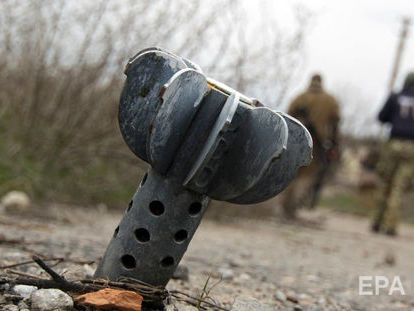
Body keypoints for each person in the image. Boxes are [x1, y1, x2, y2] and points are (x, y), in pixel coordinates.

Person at [282, 74, 340, 219]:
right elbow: (335, 124)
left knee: (292, 174)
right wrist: (334, 143)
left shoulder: (299, 98)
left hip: (295, 140)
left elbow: (287, 117)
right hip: (316, 143)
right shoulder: (330, 101)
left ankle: (285, 207)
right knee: (307, 176)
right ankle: (293, 208)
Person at [372, 72, 414, 236]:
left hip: (394, 143)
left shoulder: (395, 97)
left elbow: (381, 117)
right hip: (412, 147)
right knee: (400, 186)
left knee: (385, 183)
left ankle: (377, 221)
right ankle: (390, 226)